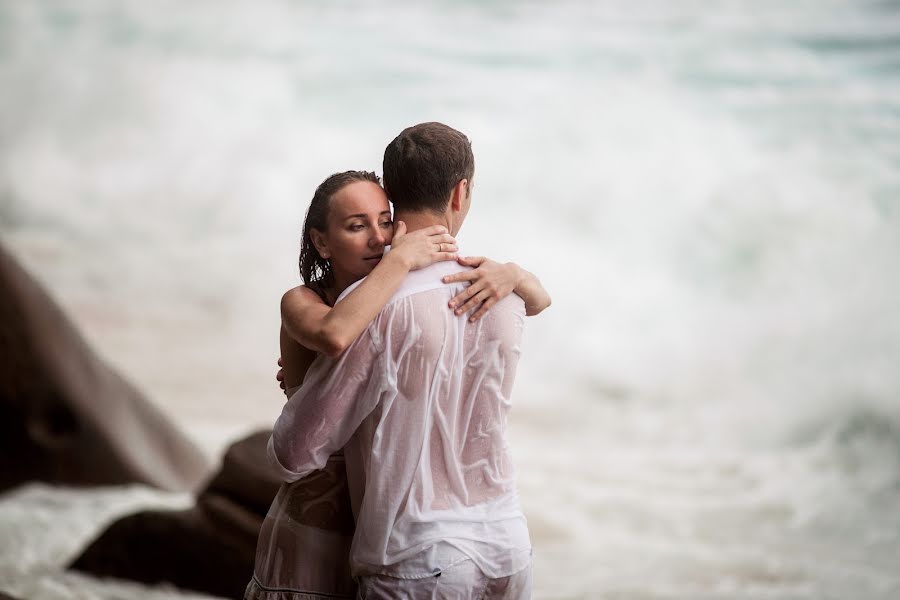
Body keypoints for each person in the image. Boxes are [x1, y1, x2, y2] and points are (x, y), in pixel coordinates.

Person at [267, 122, 548, 598]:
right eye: (358, 225)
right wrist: (517, 273)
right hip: (508, 545)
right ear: (461, 193)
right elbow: (539, 300)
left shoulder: (375, 308)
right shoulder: (502, 292)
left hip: (420, 556)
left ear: (393, 200)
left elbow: (295, 452)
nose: (377, 238)